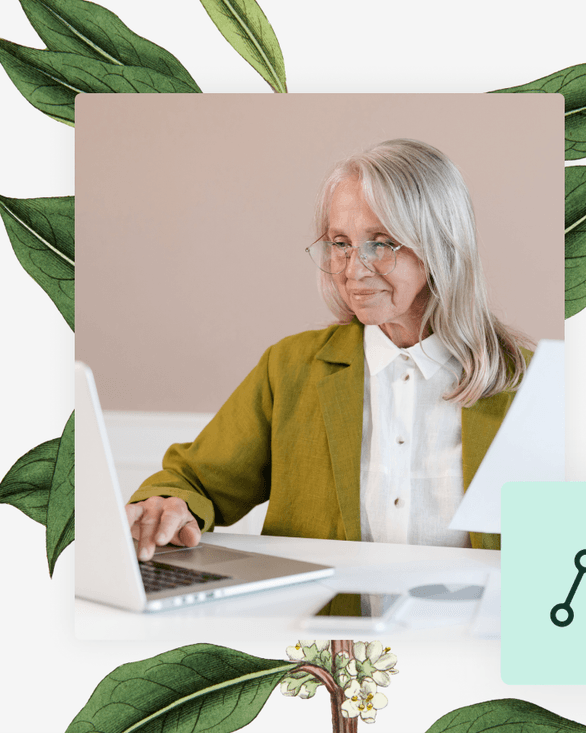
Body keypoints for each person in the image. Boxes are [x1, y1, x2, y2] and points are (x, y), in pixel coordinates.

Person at [126, 139, 532, 560]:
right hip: (322, 625)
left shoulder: (531, 382)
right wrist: (169, 505)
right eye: (341, 243)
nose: (353, 270)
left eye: (381, 243)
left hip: (473, 626)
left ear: (440, 245)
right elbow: (194, 481)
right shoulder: (290, 368)